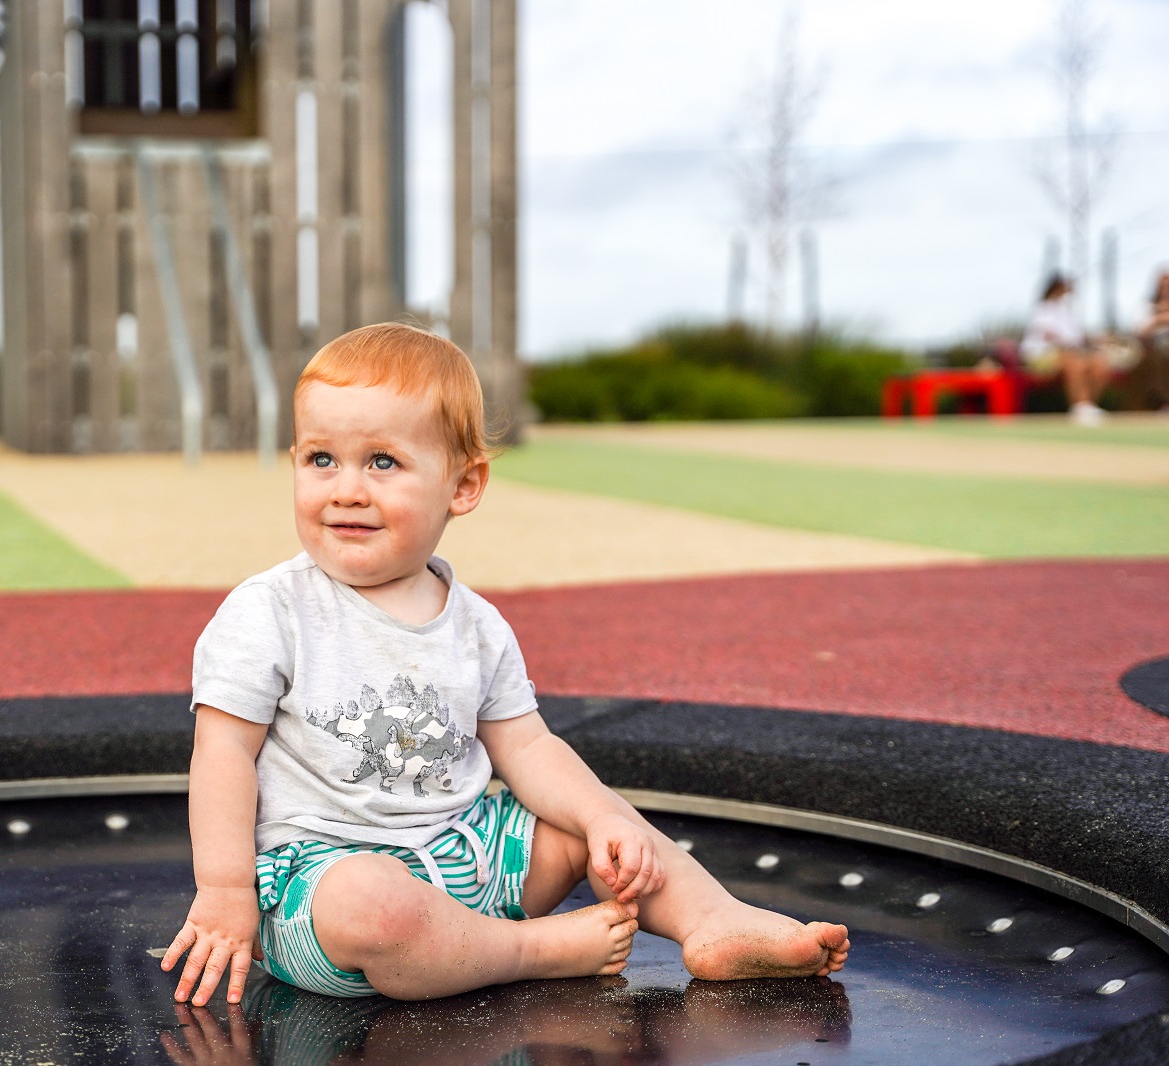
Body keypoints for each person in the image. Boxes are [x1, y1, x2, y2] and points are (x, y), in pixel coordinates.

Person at [161, 322, 850, 1007]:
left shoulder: (477, 625)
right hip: (323, 887)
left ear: (463, 485)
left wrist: (606, 820)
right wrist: (225, 892)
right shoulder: (270, 611)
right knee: (372, 904)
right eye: (320, 459)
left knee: (600, 828)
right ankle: (533, 952)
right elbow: (222, 751)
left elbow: (528, 748)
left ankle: (711, 921)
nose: (345, 489)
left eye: (381, 462)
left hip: (472, 859)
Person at [1019, 275, 1110, 425]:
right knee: (1072, 360)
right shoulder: (1043, 308)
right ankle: (1080, 406)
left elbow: (1078, 338)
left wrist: (1096, 342)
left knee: (1099, 362)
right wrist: (1069, 344)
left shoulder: (1067, 311)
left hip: (1070, 353)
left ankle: (1089, 407)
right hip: (1041, 356)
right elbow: (1049, 335)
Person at [1129, 268, 1169, 412]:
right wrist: (1157, 321)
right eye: (1162, 286)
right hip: (1150, 350)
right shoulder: (1145, 307)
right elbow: (1138, 333)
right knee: (1157, 359)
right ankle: (1163, 403)